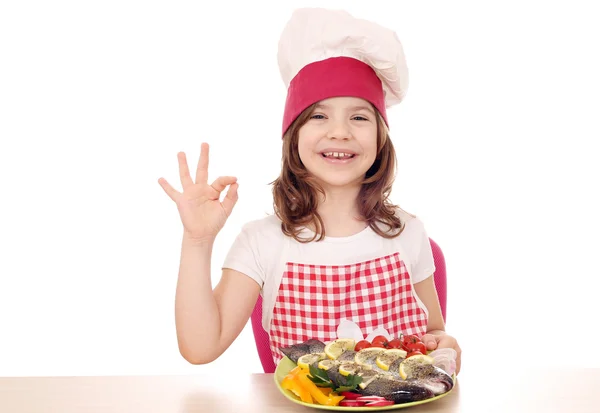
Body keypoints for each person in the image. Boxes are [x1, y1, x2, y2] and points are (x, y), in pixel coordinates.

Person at [158, 7, 462, 374]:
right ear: (294, 136)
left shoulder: (408, 233)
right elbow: (200, 347)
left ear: (381, 139)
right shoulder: (263, 242)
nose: (340, 131)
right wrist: (196, 240)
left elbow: (433, 337)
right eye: (319, 115)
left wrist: (445, 345)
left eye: (360, 117)